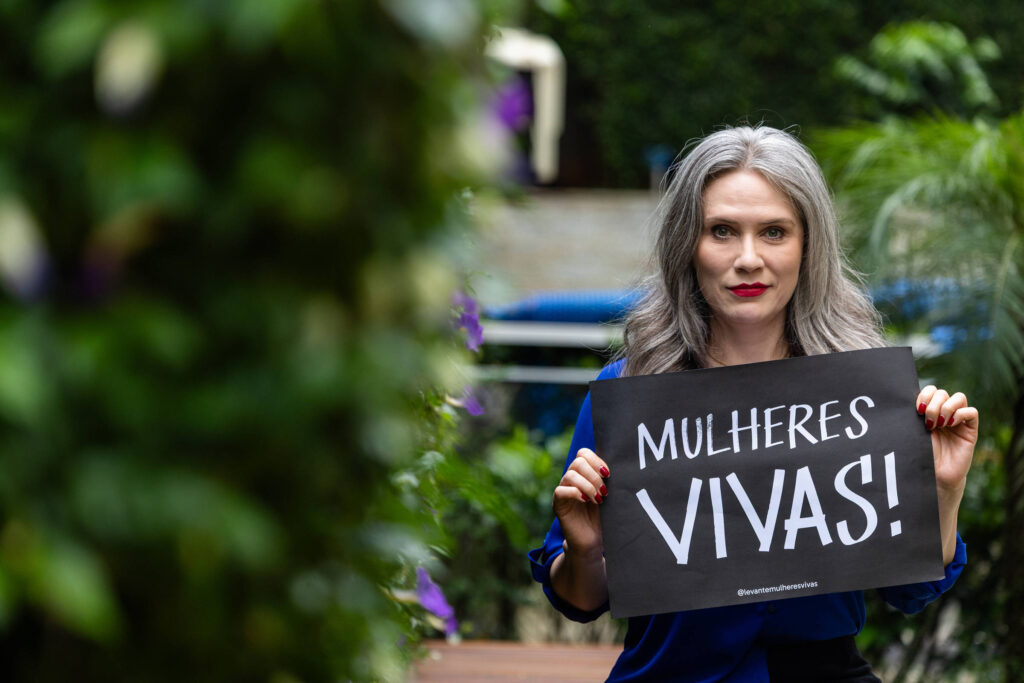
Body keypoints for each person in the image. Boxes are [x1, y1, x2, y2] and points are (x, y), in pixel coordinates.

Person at [528, 125, 977, 682]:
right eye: (721, 231)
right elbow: (580, 600)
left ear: (807, 245)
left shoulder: (863, 397)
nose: (748, 258)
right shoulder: (629, 391)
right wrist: (586, 550)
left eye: (773, 232)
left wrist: (943, 491)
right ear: (686, 244)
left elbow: (911, 590)